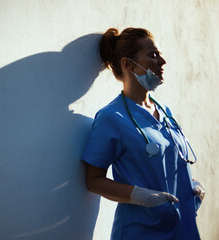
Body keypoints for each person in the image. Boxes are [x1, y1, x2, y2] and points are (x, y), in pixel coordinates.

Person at [81, 27, 205, 239]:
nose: (162, 61)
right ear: (128, 64)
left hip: (182, 226)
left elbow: (166, 164)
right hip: (141, 231)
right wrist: (139, 196)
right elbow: (93, 180)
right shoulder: (111, 117)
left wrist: (193, 185)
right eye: (153, 55)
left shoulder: (165, 111)